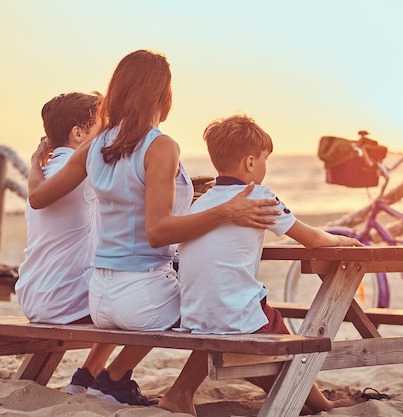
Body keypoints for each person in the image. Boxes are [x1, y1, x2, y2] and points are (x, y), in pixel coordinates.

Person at [27, 50, 280, 406]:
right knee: (223, 309)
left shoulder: (95, 145)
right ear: (163, 95)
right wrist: (226, 211)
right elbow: (158, 232)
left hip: (101, 298)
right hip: (141, 298)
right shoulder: (160, 146)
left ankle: (103, 378)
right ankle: (154, 389)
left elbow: (38, 197)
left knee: (212, 301)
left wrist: (35, 164)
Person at [158, 114, 366, 416]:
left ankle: (181, 393)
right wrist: (340, 240)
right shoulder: (259, 196)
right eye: (266, 160)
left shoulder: (202, 203)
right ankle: (321, 405)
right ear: (251, 163)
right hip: (230, 314)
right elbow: (311, 239)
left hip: (193, 312)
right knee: (283, 336)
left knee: (233, 326)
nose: (266, 168)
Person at [17, 91, 151, 403]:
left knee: (114, 281)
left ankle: (86, 376)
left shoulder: (45, 174)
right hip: (63, 299)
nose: (109, 133)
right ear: (79, 133)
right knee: (153, 292)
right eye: (102, 126)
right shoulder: (89, 172)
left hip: (33, 295)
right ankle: (114, 379)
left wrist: (36, 161)